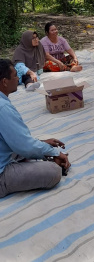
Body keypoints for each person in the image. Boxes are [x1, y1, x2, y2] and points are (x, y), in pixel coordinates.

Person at [0, 59, 71, 198]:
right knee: (53, 172)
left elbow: (14, 140)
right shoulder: (3, 107)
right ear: (4, 82)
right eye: (15, 75)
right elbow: (23, 146)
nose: (18, 78)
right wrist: (54, 153)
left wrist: (42, 144)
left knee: (30, 149)